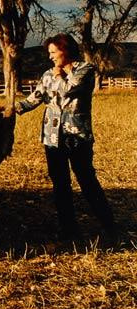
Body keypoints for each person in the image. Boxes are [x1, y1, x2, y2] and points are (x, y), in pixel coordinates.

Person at [16, 33, 117, 241]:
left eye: (54, 52)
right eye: (49, 53)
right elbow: (34, 98)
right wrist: (9, 109)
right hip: (52, 138)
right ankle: (69, 230)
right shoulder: (47, 74)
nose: (50, 57)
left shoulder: (85, 70)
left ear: (66, 50)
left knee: (87, 181)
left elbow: (69, 90)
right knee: (60, 184)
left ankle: (110, 226)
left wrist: (60, 74)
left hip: (77, 136)